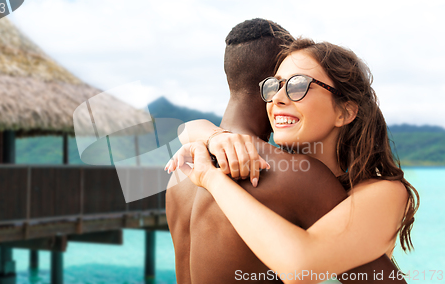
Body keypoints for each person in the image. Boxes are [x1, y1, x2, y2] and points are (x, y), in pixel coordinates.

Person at [165, 19, 410, 283]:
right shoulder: (290, 175)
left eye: (297, 85)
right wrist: (209, 137)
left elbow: (300, 265)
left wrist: (212, 177)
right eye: (274, 86)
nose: (278, 98)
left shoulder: (187, 175)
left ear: (345, 111)